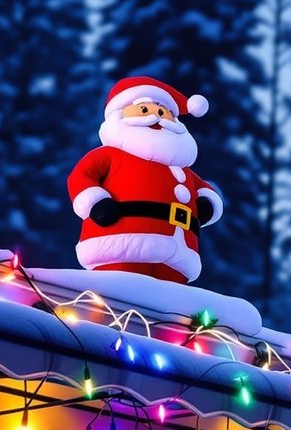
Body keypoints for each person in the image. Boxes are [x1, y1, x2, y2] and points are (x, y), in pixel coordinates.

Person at [67, 75, 223, 285]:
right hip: (122, 245)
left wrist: (207, 202)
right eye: (144, 110)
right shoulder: (111, 155)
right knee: (120, 292)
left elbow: (204, 189)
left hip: (179, 255)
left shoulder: (181, 169)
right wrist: (95, 202)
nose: (156, 117)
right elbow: (82, 177)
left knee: (171, 304)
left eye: (162, 112)